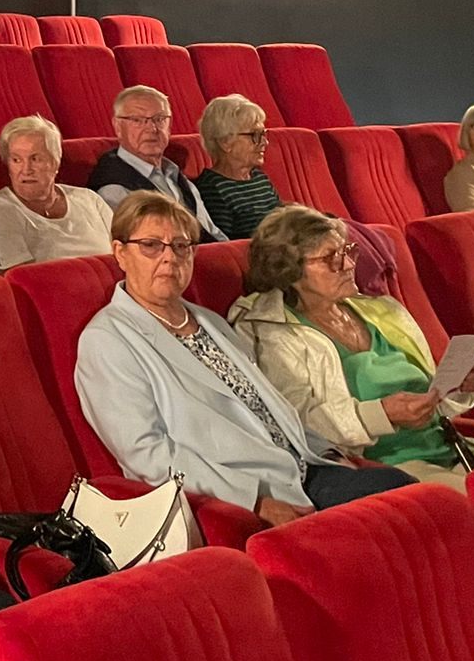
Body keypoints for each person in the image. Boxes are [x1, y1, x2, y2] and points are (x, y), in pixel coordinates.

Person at [77, 192, 415, 524]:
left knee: (410, 494)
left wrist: (325, 451)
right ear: (121, 252)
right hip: (247, 491)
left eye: (181, 246)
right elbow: (148, 456)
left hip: (302, 468)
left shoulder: (208, 321)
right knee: (404, 505)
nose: (169, 258)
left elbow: (266, 405)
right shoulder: (107, 340)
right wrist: (254, 501)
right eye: (151, 245)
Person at [230, 205, 474, 490]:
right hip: (387, 469)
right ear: (290, 271)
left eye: (348, 251)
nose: (349, 265)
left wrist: (457, 386)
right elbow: (299, 423)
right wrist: (382, 414)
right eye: (331, 258)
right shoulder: (273, 333)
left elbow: (433, 400)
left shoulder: (383, 311)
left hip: (454, 446)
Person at [88, 86, 225, 241]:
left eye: (159, 119)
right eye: (137, 120)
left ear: (169, 125)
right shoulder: (113, 189)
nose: (152, 129)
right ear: (118, 127)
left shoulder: (175, 175)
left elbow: (212, 233)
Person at [0, 115, 112, 271]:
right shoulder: (0, 211)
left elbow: (127, 251)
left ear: (55, 162)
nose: (26, 170)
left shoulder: (89, 199)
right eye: (16, 160)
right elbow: (16, 279)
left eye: (35, 159)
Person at [192, 94, 283, 238]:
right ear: (225, 142)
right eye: (254, 135)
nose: (264, 142)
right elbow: (224, 243)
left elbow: (283, 222)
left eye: (263, 134)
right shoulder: (211, 188)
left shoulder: (260, 178)